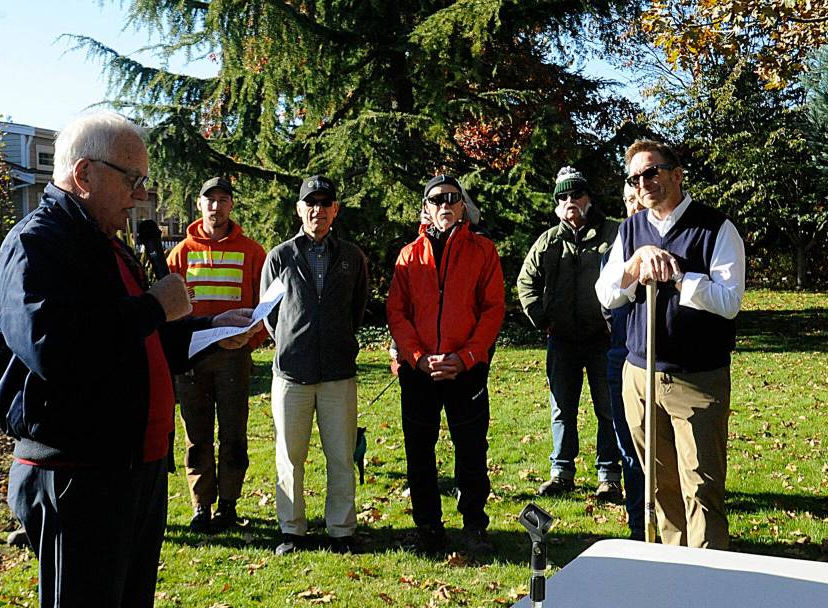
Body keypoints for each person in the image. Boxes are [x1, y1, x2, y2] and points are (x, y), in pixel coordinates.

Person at [0, 112, 255, 608]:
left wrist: (210, 329)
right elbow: (55, 348)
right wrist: (156, 305)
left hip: (134, 471)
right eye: (131, 178)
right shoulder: (37, 245)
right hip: (79, 478)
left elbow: (139, 339)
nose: (140, 196)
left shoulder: (105, 243)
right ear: (84, 174)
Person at [596, 139, 745, 549]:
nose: (643, 183)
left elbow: (730, 302)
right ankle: (672, 571)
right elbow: (607, 294)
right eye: (635, 177)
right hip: (640, 377)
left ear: (676, 174)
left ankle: (707, 578)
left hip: (696, 381)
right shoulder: (631, 229)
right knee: (658, 488)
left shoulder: (716, 228)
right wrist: (632, 264)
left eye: (651, 172)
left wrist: (679, 277)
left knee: (701, 488)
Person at [386, 175, 505, 555]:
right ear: (426, 207)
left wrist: (467, 356)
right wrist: (418, 358)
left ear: (463, 206)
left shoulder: (483, 251)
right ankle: (428, 529)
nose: (445, 205)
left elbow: (492, 309)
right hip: (419, 371)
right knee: (419, 450)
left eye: (453, 198)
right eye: (437, 199)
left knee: (471, 449)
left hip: (465, 369)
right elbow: (397, 312)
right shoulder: (409, 255)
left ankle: (474, 525)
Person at [260, 175, 369, 556]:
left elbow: (357, 308)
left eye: (325, 203)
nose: (317, 210)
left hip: (338, 373)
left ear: (335, 210)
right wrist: (294, 341)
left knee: (340, 456)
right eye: (311, 203)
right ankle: (292, 530)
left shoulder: (352, 258)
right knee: (290, 456)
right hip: (291, 373)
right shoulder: (280, 257)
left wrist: (336, 340)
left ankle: (341, 530)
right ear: (299, 209)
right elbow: (269, 315)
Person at [166, 177, 267, 534]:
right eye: (211, 200)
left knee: (234, 433)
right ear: (199, 204)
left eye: (224, 200)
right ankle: (200, 505)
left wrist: (250, 342)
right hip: (192, 358)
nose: (216, 206)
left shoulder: (253, 252)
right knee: (197, 436)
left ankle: (228, 503)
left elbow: (264, 306)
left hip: (233, 358)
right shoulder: (180, 253)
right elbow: (168, 310)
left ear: (231, 206)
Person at [517, 167, 623, 502]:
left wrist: (618, 322)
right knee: (562, 407)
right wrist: (543, 320)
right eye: (562, 197)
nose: (569, 202)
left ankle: (609, 476)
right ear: (556, 205)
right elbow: (525, 283)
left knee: (608, 408)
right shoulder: (548, 241)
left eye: (575, 195)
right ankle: (561, 473)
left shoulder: (614, 234)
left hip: (603, 340)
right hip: (561, 340)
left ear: (588, 198)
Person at [604, 183, 646, 539]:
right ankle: (638, 526)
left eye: (639, 200)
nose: (635, 207)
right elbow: (606, 299)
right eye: (629, 201)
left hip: (662, 362)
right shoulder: (619, 247)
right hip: (621, 353)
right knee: (629, 447)